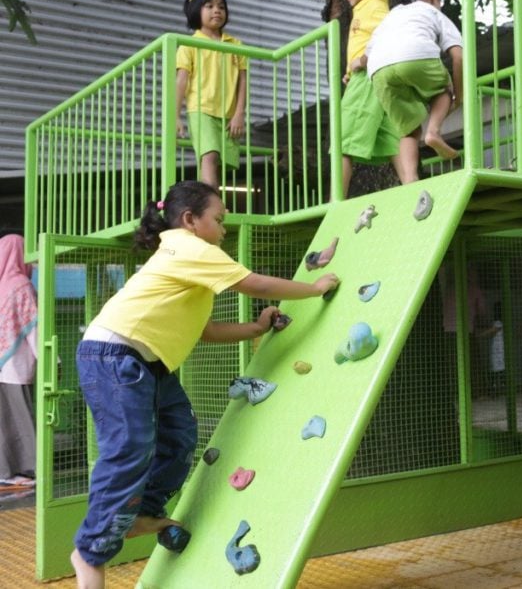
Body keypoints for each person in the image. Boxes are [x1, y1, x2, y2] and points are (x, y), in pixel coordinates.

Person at [69, 181, 339, 589]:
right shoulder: (191, 248)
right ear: (191, 220)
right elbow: (256, 285)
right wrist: (315, 289)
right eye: (219, 219)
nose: (225, 228)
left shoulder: (185, 256)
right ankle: (89, 549)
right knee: (127, 449)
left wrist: (255, 327)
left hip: (149, 364)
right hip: (114, 357)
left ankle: (144, 512)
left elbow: (205, 330)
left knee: (179, 438)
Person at [366, 0, 463, 182]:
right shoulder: (433, 12)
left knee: (408, 130)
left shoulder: (391, 16)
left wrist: (351, 69)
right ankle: (434, 132)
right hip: (415, 56)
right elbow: (458, 58)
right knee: (443, 88)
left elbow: (367, 54)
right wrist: (459, 95)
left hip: (378, 70)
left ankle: (410, 182)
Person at [335, 0, 400, 198]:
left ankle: (335, 200)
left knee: (343, 140)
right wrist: (349, 71)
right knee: (393, 140)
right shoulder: (372, 5)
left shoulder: (374, 6)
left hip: (367, 77)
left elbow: (386, 39)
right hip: (376, 78)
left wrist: (360, 64)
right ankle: (412, 185)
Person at [175, 0, 249, 189]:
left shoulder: (236, 44)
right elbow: (181, 81)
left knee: (219, 161)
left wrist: (239, 113)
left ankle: (206, 202)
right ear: (195, 11)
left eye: (221, 6)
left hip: (228, 112)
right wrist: (175, 116)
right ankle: (212, 204)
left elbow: (242, 81)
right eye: (209, 6)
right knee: (209, 155)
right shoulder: (188, 45)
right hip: (201, 109)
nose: (217, 10)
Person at [0, 235, 38, 489]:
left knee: (3, 422)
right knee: (20, 419)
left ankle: (4, 471)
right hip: (14, 367)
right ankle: (28, 469)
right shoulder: (20, 285)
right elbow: (35, 328)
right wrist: (51, 359)